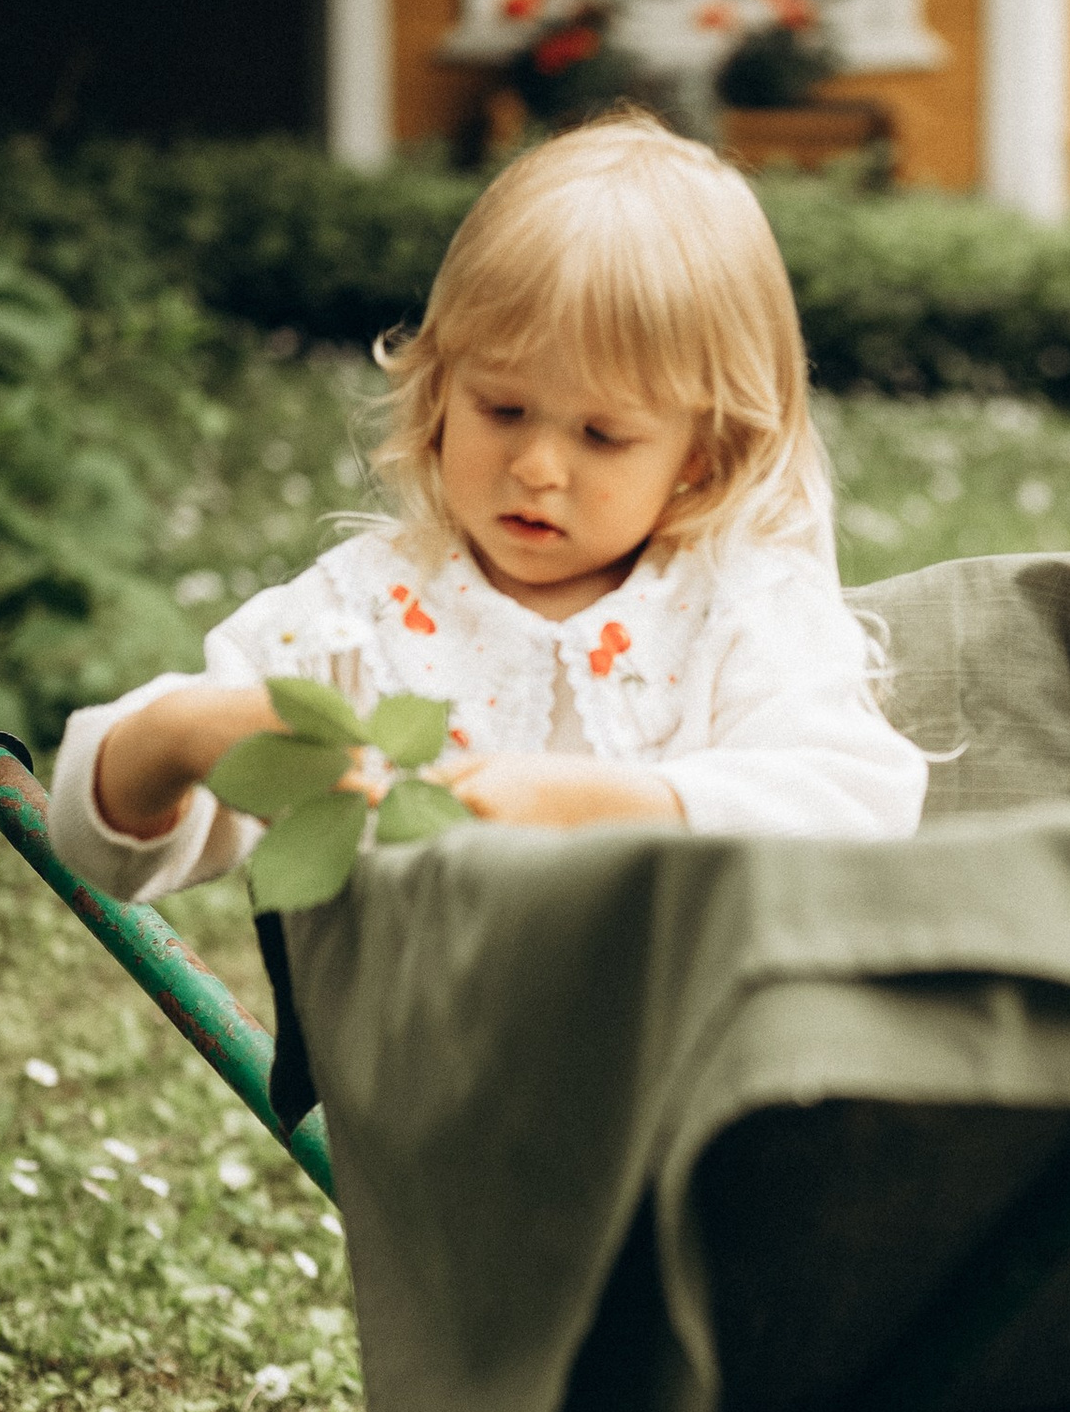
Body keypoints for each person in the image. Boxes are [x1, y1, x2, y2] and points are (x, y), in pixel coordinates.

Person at [50, 111, 926, 899]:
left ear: (702, 450)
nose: (539, 466)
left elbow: (856, 806)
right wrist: (176, 739)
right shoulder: (367, 611)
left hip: (686, 1057)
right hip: (431, 1057)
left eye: (602, 435)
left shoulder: (742, 611)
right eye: (501, 410)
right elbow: (109, 851)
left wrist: (615, 803)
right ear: (439, 389)